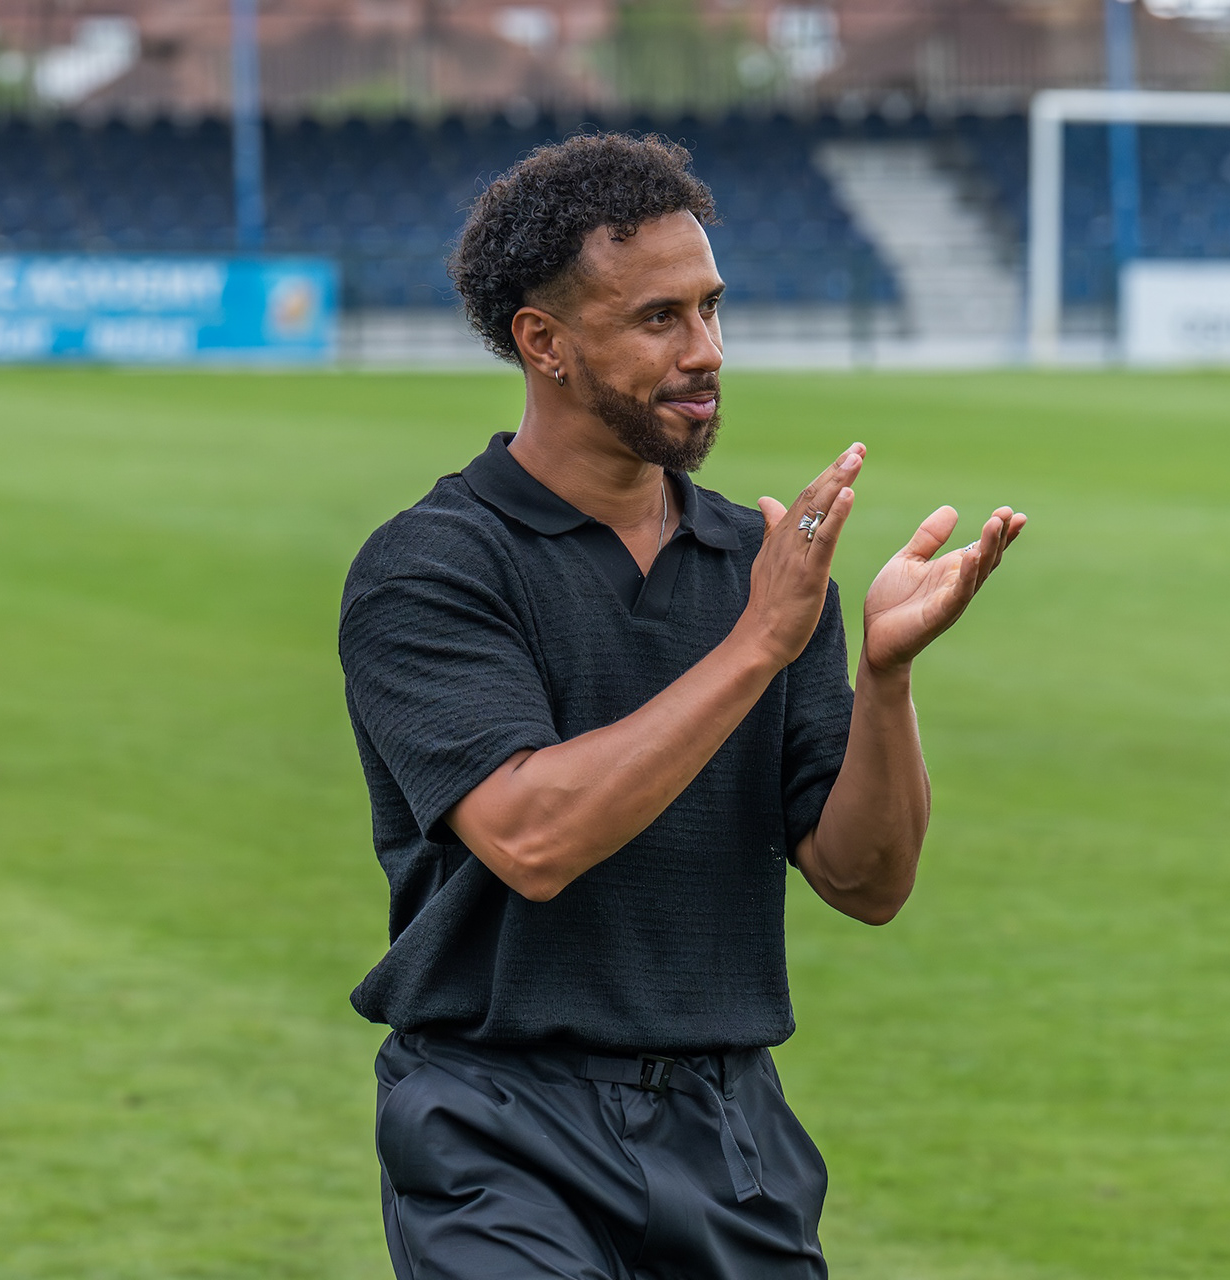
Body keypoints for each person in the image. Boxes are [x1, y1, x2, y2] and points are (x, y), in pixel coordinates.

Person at [338, 131, 1025, 1280]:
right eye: (659, 318)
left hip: (731, 1133)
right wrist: (762, 639)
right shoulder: (434, 564)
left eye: (711, 309)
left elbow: (867, 881)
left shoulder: (760, 568)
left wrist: (885, 680)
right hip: (501, 1127)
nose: (705, 351)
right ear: (543, 342)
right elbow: (532, 836)